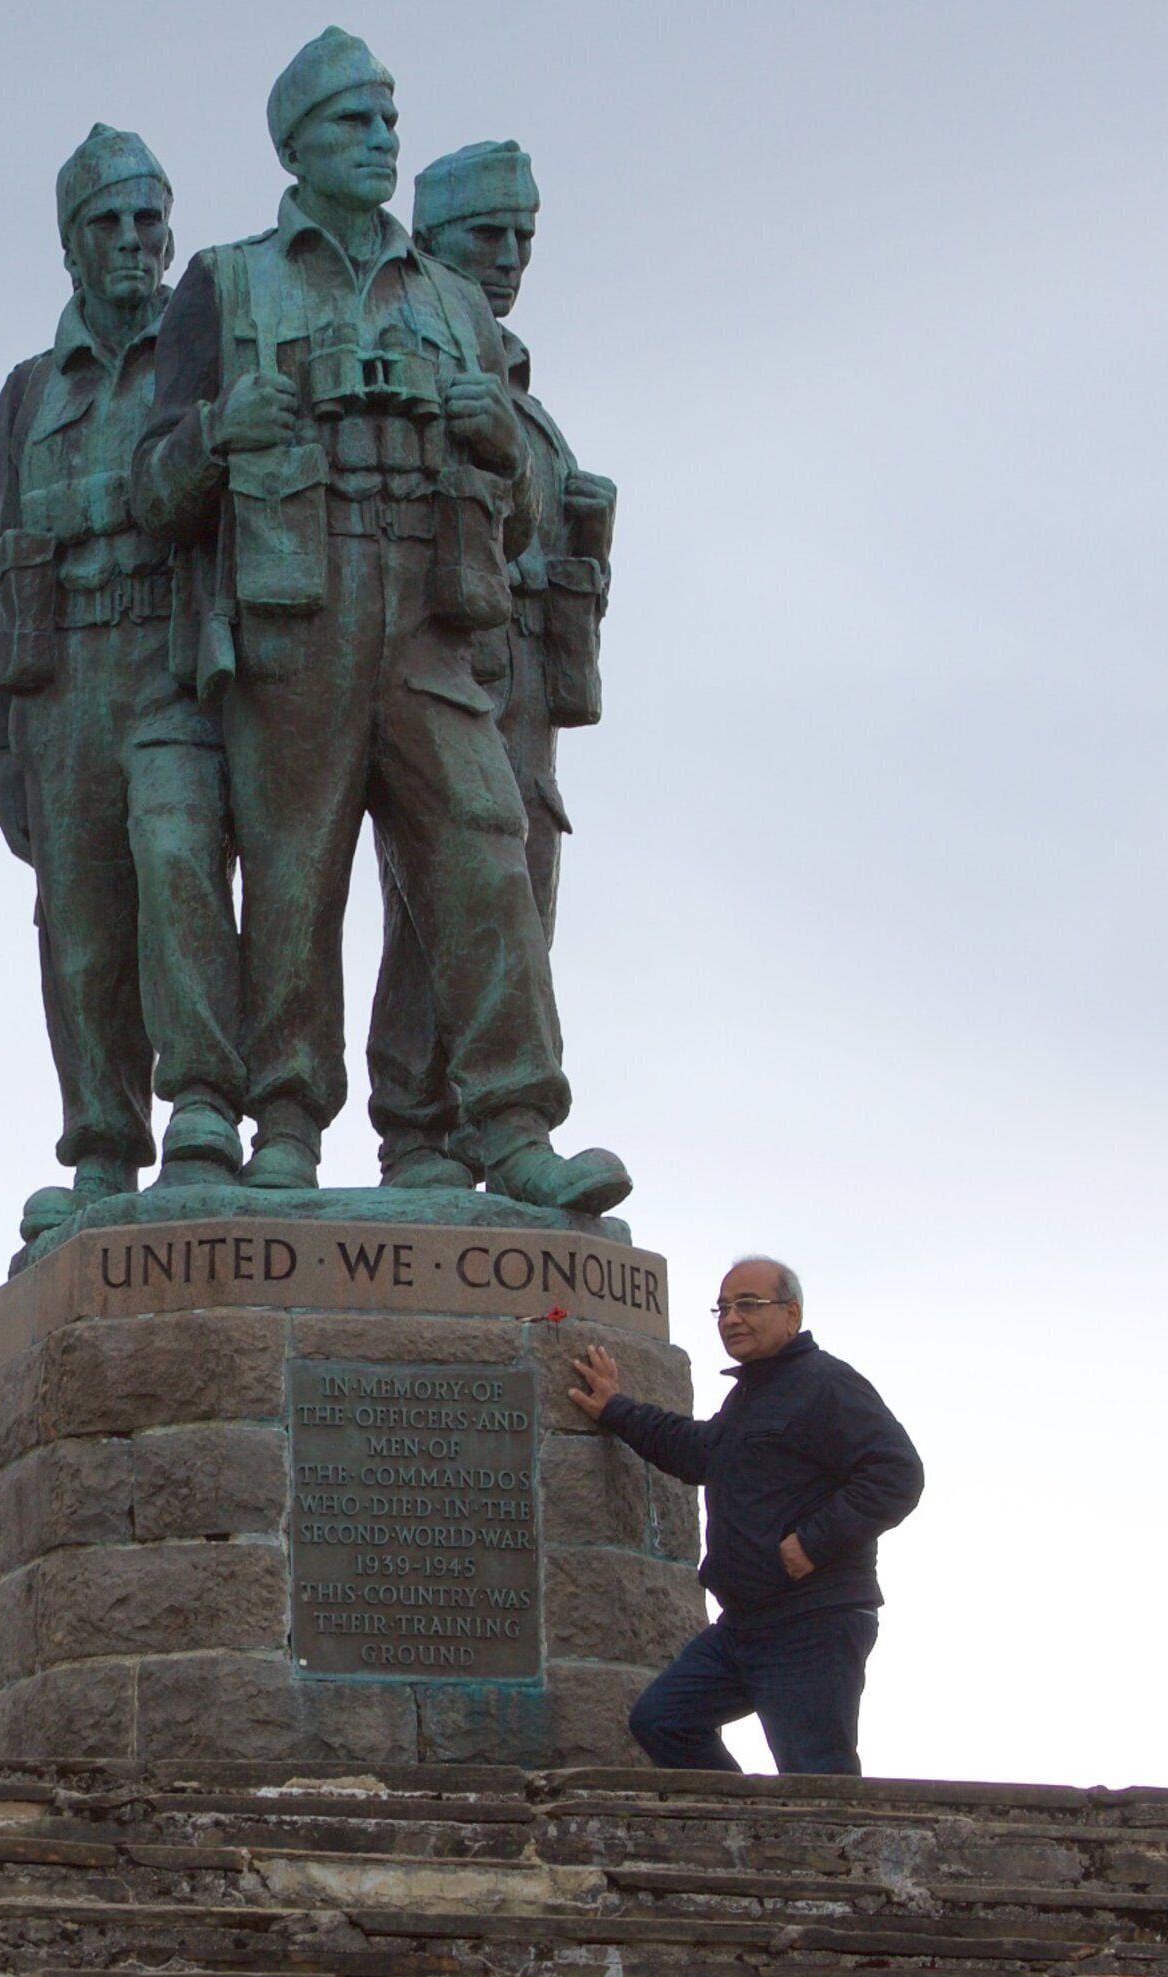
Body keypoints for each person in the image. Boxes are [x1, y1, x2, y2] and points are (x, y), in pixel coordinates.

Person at [130, 27, 630, 1212]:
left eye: (389, 122)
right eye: (355, 122)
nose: (380, 141)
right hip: (296, 614)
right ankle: (287, 1124)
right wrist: (218, 433)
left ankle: (510, 1123)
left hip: (430, 622)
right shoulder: (228, 280)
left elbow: (512, 529)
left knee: (483, 852)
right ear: (297, 143)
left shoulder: (454, 302)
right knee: (296, 881)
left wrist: (497, 442)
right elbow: (157, 490)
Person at [0, 124, 250, 1245]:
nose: (135, 241)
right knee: (81, 922)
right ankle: (100, 1144)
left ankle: (202, 1109)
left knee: (180, 864)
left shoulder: (206, 351)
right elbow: (1, 572)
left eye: (150, 219)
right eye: (109, 223)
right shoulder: (28, 392)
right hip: (61, 685)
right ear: (71, 246)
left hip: (169, 663)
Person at [366, 137, 620, 1187]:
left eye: (524, 236)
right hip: (432, 657)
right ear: (430, 245)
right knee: (439, 897)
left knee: (515, 903)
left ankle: (483, 1127)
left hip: (525, 691)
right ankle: (419, 1125)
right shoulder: (410, 361)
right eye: (487, 236)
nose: (511, 256)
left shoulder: (530, 407)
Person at [564, 1256, 923, 1776]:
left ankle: (818, 1859)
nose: (731, 1318)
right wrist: (617, 1409)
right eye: (723, 1308)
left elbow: (897, 1472)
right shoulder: (751, 1396)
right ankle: (750, 1833)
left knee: (815, 1775)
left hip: (812, 1622)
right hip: (744, 1625)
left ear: (791, 1315)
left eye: (749, 1305)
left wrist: (812, 1543)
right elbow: (699, 1451)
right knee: (662, 1720)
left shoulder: (827, 1384)